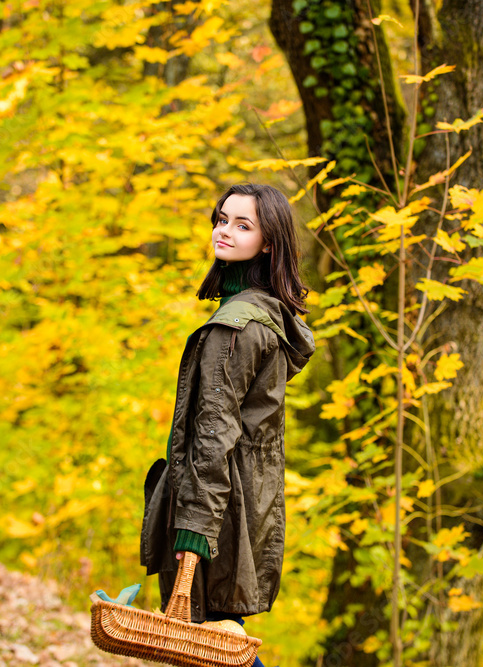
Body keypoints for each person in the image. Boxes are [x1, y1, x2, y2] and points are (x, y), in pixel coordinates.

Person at [140, 183, 315, 663]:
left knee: (212, 647)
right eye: (222, 219)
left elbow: (213, 437)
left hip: (217, 511)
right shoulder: (264, 315)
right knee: (212, 645)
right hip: (239, 503)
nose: (225, 231)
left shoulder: (235, 327)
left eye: (243, 225)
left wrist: (195, 525)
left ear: (270, 242)